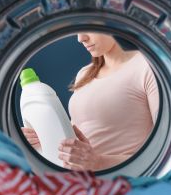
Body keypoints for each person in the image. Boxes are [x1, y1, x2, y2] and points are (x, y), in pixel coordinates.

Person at [22, 32, 159, 171]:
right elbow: (72, 137)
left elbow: (166, 149)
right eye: (77, 30)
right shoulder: (84, 73)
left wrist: (99, 162)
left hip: (124, 181)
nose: (80, 38)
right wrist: (39, 138)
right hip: (79, 182)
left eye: (86, 26)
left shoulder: (148, 67)